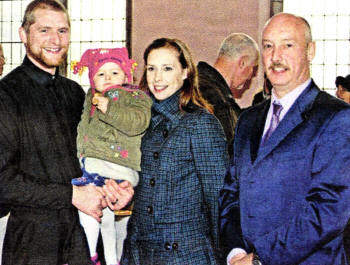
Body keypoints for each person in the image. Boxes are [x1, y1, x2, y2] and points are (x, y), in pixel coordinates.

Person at [0, 1, 133, 264]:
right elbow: (2, 181)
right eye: (44, 30)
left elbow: (91, 156)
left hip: (81, 239)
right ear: (23, 35)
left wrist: (113, 186)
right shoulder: (5, 95)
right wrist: (71, 194)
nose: (55, 40)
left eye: (63, 30)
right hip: (32, 243)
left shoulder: (75, 93)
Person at [219, 13, 350, 265]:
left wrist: (259, 259)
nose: (276, 57)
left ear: (310, 50)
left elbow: (329, 209)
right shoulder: (248, 120)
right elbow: (230, 194)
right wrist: (235, 252)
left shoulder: (336, 118)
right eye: (268, 46)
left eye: (288, 45)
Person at [121, 38, 229, 265]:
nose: (157, 78)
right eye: (151, 68)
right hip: (140, 249)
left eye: (167, 68)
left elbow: (217, 198)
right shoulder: (140, 122)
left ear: (185, 73)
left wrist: (223, 254)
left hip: (185, 253)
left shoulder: (200, 124)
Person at [71, 47, 152, 265]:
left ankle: (96, 254)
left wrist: (111, 109)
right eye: (100, 74)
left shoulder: (134, 96)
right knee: (99, 213)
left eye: (114, 72)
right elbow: (82, 129)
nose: (108, 78)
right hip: (94, 165)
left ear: (126, 75)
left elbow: (138, 123)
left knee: (95, 209)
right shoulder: (90, 98)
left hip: (118, 165)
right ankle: (106, 257)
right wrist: (80, 154)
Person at [197, 33, 259, 156]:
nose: (251, 75)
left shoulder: (197, 85)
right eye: (253, 68)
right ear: (242, 62)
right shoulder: (214, 98)